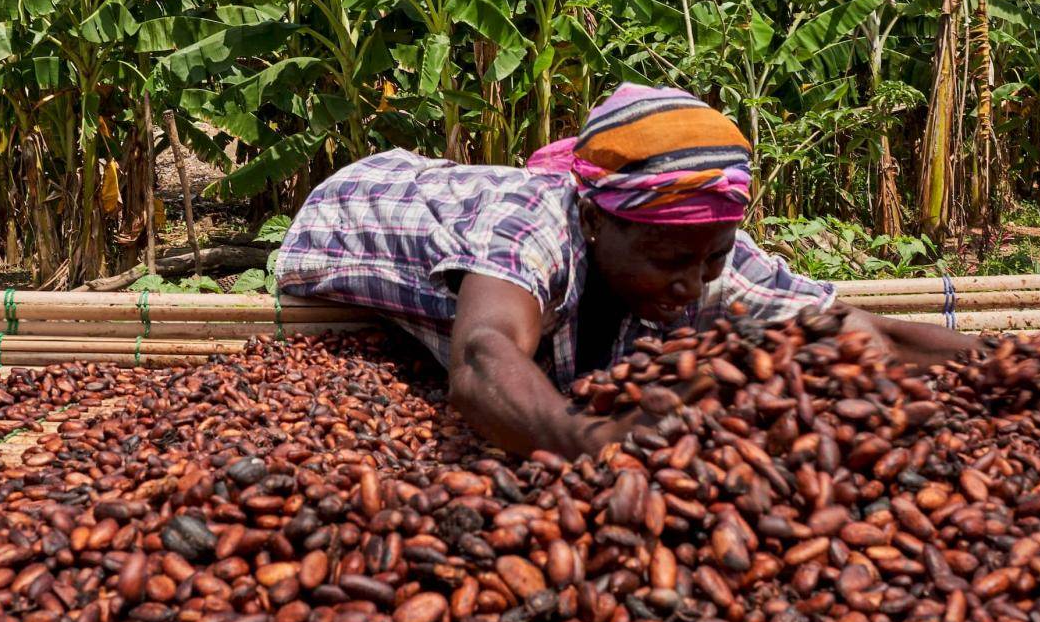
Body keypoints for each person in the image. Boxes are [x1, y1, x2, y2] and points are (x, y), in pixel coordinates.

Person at [276, 84, 978, 457]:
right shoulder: (534, 227)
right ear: (593, 220)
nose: (692, 283)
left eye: (710, 258)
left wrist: (1024, 361)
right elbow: (482, 359)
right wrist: (586, 441)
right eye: (671, 259)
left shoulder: (703, 253)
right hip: (358, 205)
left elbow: (846, 328)